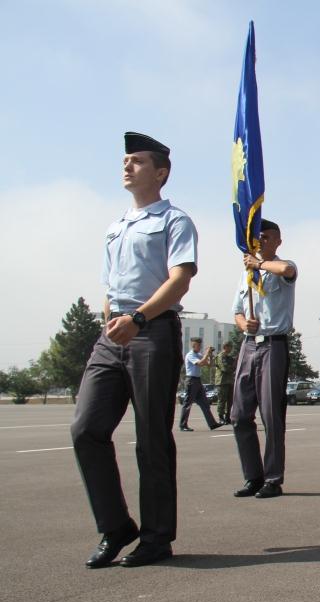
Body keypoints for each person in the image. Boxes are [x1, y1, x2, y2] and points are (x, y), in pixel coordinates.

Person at [71, 131, 198, 568]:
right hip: (114, 335)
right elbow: (109, 286)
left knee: (151, 439)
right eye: (126, 160)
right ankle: (115, 527)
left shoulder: (173, 221)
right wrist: (113, 321)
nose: (128, 166)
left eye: (138, 161)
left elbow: (179, 279)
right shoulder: (115, 227)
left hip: (152, 332)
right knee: (86, 430)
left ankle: (157, 537)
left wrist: (139, 318)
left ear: (160, 173)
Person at [230, 220, 297, 500]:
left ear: (277, 242)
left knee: (270, 415)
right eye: (256, 238)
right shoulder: (247, 275)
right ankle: (252, 476)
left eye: (265, 237)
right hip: (249, 346)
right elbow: (236, 312)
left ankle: (272, 478)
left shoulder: (279, 268)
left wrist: (258, 264)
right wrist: (244, 324)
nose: (259, 242)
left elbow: (287, 270)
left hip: (273, 346)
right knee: (239, 415)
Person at [179, 338, 220, 431]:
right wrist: (206, 354)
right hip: (191, 380)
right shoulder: (190, 355)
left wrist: (209, 355)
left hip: (198, 380)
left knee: (205, 403)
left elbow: (209, 365)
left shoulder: (199, 355)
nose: (200, 346)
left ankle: (212, 424)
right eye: (198, 345)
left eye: (200, 345)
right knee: (187, 403)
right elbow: (200, 363)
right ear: (193, 345)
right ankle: (183, 425)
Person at [214, 342, 236, 425]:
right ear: (225, 347)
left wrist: (233, 367)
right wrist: (232, 368)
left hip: (229, 381)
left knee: (230, 401)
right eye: (230, 347)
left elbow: (235, 365)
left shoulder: (229, 357)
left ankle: (228, 417)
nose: (231, 349)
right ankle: (221, 417)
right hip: (222, 381)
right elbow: (225, 368)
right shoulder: (221, 356)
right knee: (222, 400)